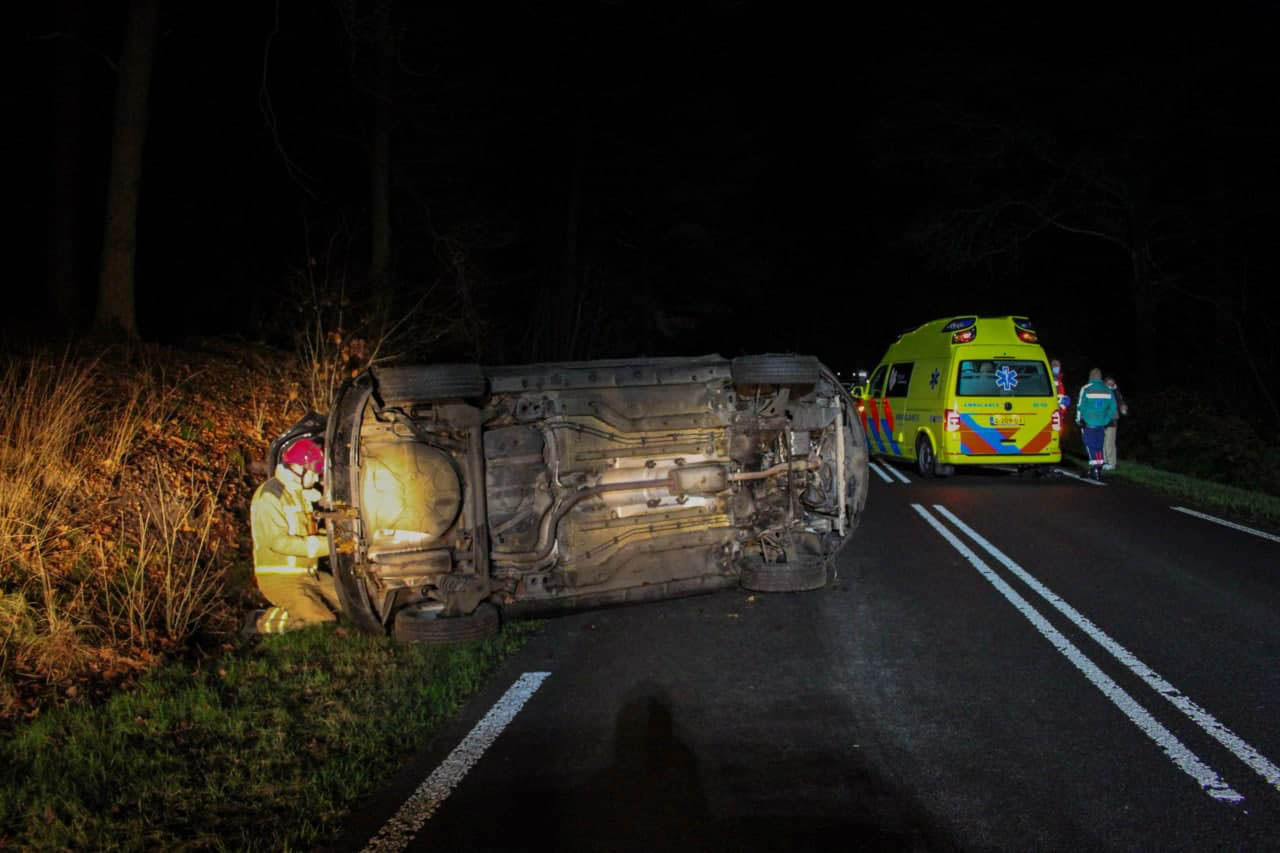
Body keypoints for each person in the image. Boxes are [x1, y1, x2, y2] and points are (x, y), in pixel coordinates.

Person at [246, 437, 340, 635]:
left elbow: (308, 533)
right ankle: (262, 621)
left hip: (309, 574)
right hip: (280, 578)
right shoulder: (270, 496)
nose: (316, 479)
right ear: (299, 468)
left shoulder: (298, 494)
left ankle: (305, 607)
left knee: (349, 605)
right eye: (314, 473)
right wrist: (331, 544)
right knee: (321, 621)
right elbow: (279, 543)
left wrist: (339, 537)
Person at [1075, 368, 1118, 481]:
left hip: (1088, 423)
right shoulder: (1107, 389)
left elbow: (1080, 406)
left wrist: (1079, 420)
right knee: (1099, 446)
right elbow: (1113, 407)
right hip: (1101, 424)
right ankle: (1098, 469)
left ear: (1090, 377)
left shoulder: (1086, 388)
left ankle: (1094, 469)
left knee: (1090, 446)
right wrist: (1106, 419)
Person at [1102, 375, 1129, 471]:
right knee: (1103, 442)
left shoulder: (1115, 393)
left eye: (1112, 384)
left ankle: (1112, 463)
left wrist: (1123, 408)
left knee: (1110, 442)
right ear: (1104, 384)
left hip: (1112, 421)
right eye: (1108, 384)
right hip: (1102, 420)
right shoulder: (1102, 391)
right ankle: (1104, 461)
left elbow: (1121, 403)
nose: (1110, 386)